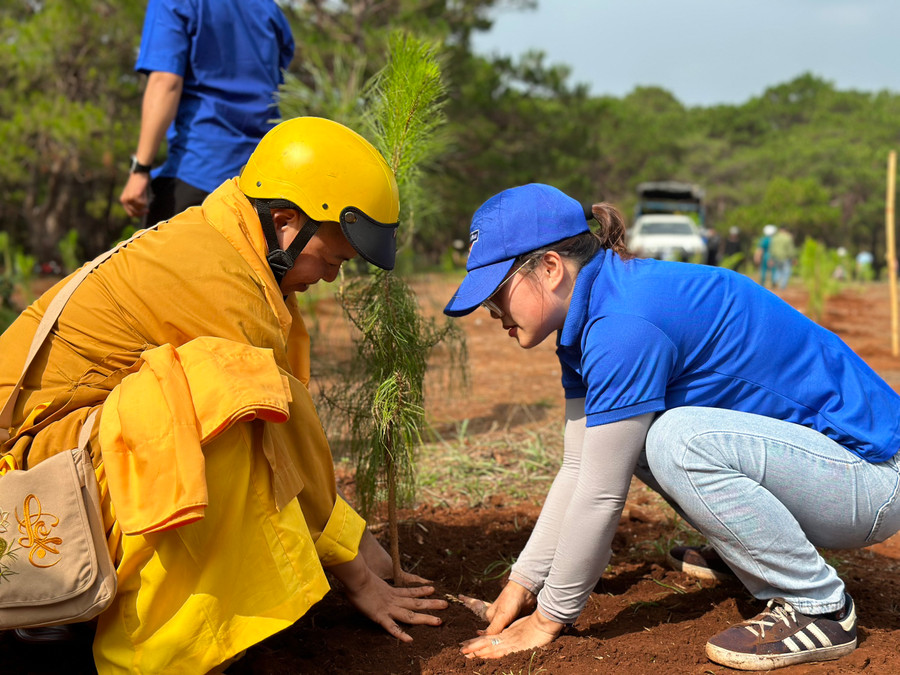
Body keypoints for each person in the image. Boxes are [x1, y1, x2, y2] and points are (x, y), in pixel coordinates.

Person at [1, 117, 447, 673]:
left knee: (214, 397)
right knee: (215, 407)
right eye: (332, 260)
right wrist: (357, 571)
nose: (332, 279)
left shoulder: (225, 241)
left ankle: (81, 608)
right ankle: (154, 659)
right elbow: (278, 430)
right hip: (25, 494)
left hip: (54, 467)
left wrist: (355, 543)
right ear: (285, 222)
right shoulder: (224, 281)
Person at [443, 183, 900, 671]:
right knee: (626, 438)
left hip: (873, 479)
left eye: (497, 294)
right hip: (821, 469)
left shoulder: (623, 323)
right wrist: (523, 584)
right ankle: (749, 549)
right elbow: (579, 465)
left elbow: (601, 494)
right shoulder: (593, 315)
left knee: (672, 439)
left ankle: (820, 606)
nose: (492, 313)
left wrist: (548, 618)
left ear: (551, 268)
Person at [119, 0, 294, 225]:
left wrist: (140, 169)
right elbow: (281, 85)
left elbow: (166, 82)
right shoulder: (269, 9)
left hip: (198, 171)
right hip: (259, 181)